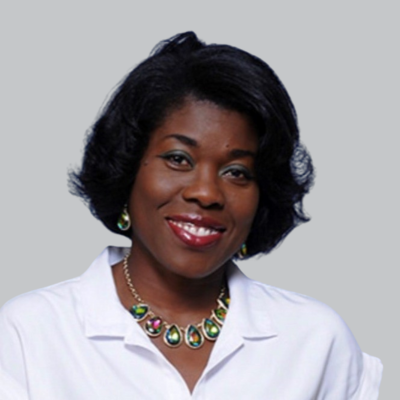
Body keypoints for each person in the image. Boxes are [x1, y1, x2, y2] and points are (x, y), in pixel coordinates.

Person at [0, 32, 382, 399]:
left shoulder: (315, 342)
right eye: (178, 159)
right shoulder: (31, 334)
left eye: (237, 172)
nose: (207, 193)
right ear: (126, 168)